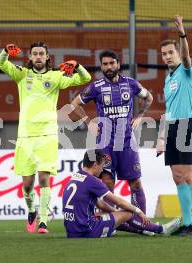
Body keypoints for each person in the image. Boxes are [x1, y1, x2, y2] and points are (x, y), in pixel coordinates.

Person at [0, 42, 91, 234]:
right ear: (30, 57)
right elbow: (1, 64)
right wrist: (6, 52)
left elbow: (85, 78)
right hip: (25, 136)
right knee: (27, 185)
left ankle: (44, 220)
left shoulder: (56, 76)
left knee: (44, 178)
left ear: (47, 57)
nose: (38, 56)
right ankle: (31, 209)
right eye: (35, 54)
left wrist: (77, 65)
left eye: (41, 54)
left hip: (47, 134)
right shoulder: (22, 74)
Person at [70, 50, 153, 215]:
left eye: (112, 63)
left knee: (135, 183)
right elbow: (74, 103)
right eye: (105, 64)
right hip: (105, 142)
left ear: (118, 64)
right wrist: (88, 122)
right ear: (101, 66)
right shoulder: (96, 87)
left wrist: (140, 115)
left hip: (127, 141)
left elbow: (149, 97)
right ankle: (111, 222)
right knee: (107, 183)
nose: (109, 67)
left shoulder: (131, 83)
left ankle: (142, 222)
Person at [62, 149, 180, 238]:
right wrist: (138, 212)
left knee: (111, 215)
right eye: (102, 166)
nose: (102, 170)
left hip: (72, 231)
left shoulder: (76, 176)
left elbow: (100, 204)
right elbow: (117, 201)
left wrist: (115, 213)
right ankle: (161, 229)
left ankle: (144, 230)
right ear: (94, 165)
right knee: (128, 213)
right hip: (87, 231)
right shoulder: (92, 180)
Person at [156, 15, 192, 236]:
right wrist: (161, 138)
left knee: (189, 174)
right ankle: (186, 223)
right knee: (177, 175)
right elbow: (168, 111)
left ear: (177, 53)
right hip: (173, 127)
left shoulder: (186, 70)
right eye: (164, 54)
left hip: (186, 125)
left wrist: (182, 33)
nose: (167, 57)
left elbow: (186, 55)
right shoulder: (168, 79)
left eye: (170, 53)